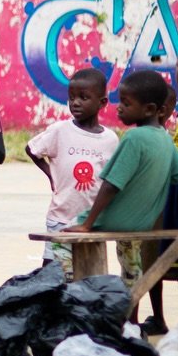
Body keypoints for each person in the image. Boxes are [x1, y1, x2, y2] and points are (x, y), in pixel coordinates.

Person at [67, 71, 178, 294]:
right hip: (145, 223)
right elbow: (175, 177)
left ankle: (76, 288)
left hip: (118, 221)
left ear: (149, 109)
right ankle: (130, 288)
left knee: (62, 235)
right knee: (129, 256)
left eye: (126, 104)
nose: (119, 108)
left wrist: (88, 223)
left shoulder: (134, 138)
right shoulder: (166, 140)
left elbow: (111, 185)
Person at [26, 67, 117, 279]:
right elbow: (32, 149)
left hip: (92, 222)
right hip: (61, 218)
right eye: (71, 97)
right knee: (53, 274)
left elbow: (111, 179)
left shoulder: (110, 140)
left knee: (90, 275)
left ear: (102, 103)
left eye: (83, 98)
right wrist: (51, 175)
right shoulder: (60, 130)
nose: (75, 103)